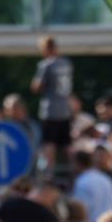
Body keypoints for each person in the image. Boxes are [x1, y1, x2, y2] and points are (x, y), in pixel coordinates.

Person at [30, 35, 74, 174]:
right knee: (67, 144)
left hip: (50, 111)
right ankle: (74, 170)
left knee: (49, 144)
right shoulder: (66, 63)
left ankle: (50, 174)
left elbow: (37, 86)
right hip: (65, 110)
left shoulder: (46, 64)